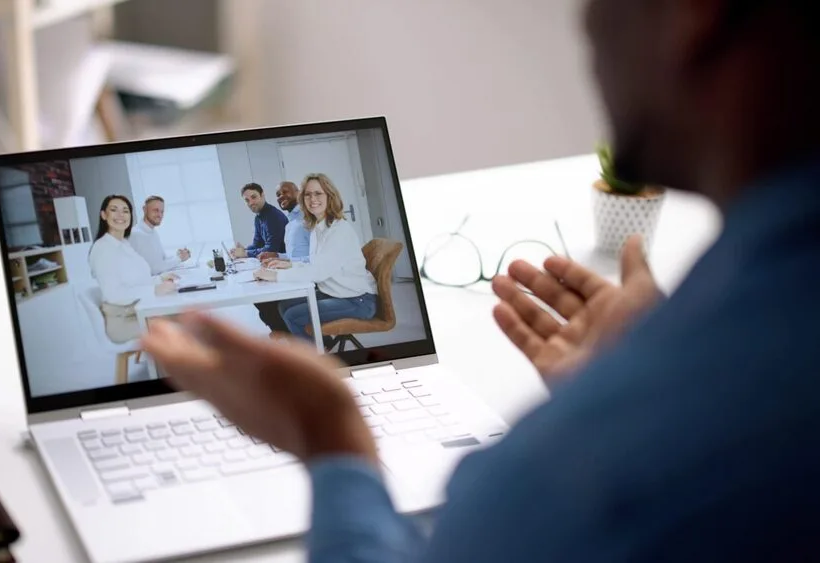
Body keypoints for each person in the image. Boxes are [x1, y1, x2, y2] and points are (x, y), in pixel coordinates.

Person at [141, 0, 820, 561]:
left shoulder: (575, 488)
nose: (583, 24)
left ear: (692, 14)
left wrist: (332, 438)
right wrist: (659, 375)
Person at [253, 174, 378, 342]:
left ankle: (314, 359)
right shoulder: (318, 227)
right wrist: (287, 265)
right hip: (335, 292)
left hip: (357, 300)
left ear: (329, 196)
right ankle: (318, 346)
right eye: (307, 194)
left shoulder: (339, 230)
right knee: (284, 306)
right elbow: (314, 263)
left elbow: (319, 272)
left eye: (318, 193)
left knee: (292, 315)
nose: (312, 199)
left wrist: (275, 275)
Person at [88, 195, 178, 343]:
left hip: (137, 311)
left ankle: (170, 364)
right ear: (104, 215)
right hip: (123, 321)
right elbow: (114, 294)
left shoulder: (124, 244)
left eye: (125, 211)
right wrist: (154, 290)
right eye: (114, 210)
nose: (120, 215)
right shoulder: (103, 248)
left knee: (185, 316)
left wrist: (159, 279)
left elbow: (137, 281)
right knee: (180, 323)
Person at [255, 181, 311, 334]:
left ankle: (290, 337)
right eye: (278, 195)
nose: (281, 197)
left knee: (268, 301)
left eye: (286, 192)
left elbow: (316, 258)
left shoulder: (308, 219)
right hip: (297, 271)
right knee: (260, 297)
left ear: (298, 192)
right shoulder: (291, 222)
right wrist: (277, 256)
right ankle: (287, 336)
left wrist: (286, 264)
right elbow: (296, 255)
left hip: (307, 278)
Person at [129, 195, 191, 276]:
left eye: (162, 211)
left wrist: (179, 255)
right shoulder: (137, 234)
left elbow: (162, 259)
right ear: (144, 209)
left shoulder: (152, 232)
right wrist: (179, 259)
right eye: (156, 210)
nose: (160, 215)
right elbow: (154, 268)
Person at [229, 183, 288, 259]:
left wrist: (245, 253)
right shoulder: (258, 218)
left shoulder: (273, 216)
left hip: (283, 262)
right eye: (247, 200)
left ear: (262, 195)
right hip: (271, 262)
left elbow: (271, 250)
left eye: (254, 197)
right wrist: (242, 250)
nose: (251, 203)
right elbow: (257, 244)